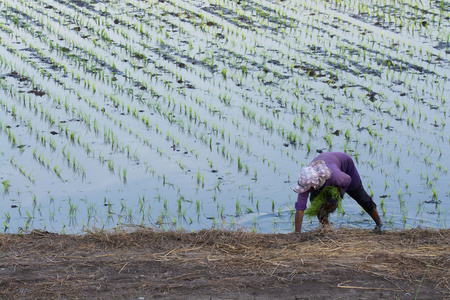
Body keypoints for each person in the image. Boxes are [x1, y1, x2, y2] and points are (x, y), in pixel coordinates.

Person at [293, 152, 383, 233]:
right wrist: (297, 233)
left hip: (346, 167)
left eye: (308, 189)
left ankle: (379, 224)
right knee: (316, 202)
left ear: (313, 186)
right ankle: (327, 229)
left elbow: (347, 180)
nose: (305, 191)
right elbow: (300, 208)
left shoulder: (335, 176)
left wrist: (334, 200)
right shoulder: (305, 181)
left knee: (360, 196)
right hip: (327, 166)